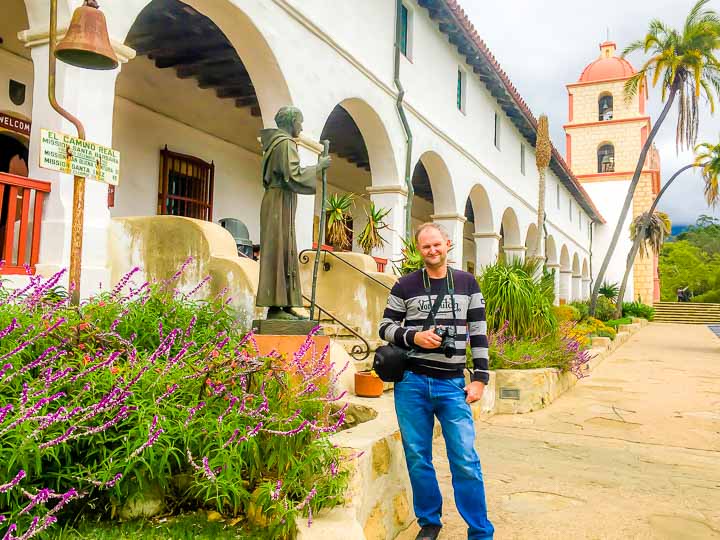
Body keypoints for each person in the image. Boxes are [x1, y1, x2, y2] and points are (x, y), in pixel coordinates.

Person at [379, 223, 494, 540]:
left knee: (466, 460)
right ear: (419, 250)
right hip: (412, 383)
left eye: (437, 245)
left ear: (447, 244)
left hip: (452, 384)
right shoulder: (405, 285)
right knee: (418, 458)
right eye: (425, 246)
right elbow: (385, 327)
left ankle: (480, 531)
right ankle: (429, 522)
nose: (432, 250)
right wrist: (413, 336)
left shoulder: (469, 283)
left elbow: (479, 334)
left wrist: (480, 378)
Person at [256, 106, 331, 319]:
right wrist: (319, 166)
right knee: (278, 249)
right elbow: (293, 174)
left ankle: (285, 304)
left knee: (285, 249)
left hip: (280, 200)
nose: (301, 126)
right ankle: (276, 306)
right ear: (290, 122)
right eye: (300, 122)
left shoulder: (277, 143)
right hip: (279, 200)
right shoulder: (285, 143)